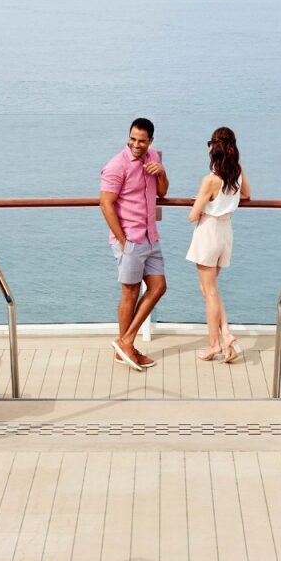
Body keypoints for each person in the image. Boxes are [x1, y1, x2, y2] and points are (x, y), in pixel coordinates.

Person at [99, 117, 169, 371]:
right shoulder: (116, 166)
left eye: (141, 140)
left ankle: (125, 341)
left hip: (151, 236)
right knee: (130, 292)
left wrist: (162, 173)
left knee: (158, 287)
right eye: (132, 139)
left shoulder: (154, 157)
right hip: (130, 239)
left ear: (150, 141)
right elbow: (105, 204)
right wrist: (123, 241)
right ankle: (125, 348)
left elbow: (162, 192)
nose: (136, 144)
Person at [185, 126, 250, 362]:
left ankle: (215, 344)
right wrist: (221, 202)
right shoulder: (237, 172)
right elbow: (246, 195)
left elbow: (192, 216)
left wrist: (203, 203)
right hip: (225, 232)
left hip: (209, 232)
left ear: (214, 148)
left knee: (209, 291)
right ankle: (226, 334)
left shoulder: (210, 180)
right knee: (210, 289)